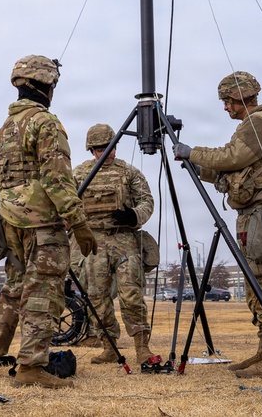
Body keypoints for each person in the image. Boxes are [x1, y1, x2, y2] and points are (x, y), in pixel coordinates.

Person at [0, 55, 98, 389]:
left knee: (13, 292)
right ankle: (30, 368)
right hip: (42, 224)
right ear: (48, 86)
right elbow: (57, 179)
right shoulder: (45, 123)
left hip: (12, 219)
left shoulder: (3, 131)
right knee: (43, 293)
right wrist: (78, 222)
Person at [172, 71, 262, 380]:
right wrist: (196, 165)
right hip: (253, 216)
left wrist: (193, 151)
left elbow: (233, 156)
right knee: (257, 286)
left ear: (240, 98)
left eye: (228, 101)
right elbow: (229, 172)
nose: (226, 107)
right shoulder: (250, 127)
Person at [72, 124, 157, 365]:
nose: (104, 153)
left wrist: (133, 216)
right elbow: (68, 203)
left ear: (115, 146)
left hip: (124, 240)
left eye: (108, 147)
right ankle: (108, 346)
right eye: (99, 149)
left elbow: (146, 201)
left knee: (131, 293)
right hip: (93, 241)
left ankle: (142, 347)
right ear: (91, 150)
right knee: (96, 295)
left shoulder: (129, 172)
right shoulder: (79, 174)